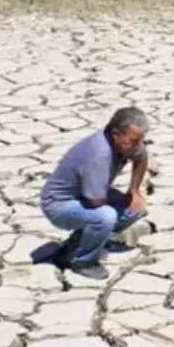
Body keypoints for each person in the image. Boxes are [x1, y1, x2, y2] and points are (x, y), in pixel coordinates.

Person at [39, 106, 151, 279]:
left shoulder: (129, 143)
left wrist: (134, 191)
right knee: (106, 216)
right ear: (116, 134)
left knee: (135, 208)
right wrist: (114, 216)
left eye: (139, 141)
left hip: (86, 194)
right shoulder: (99, 154)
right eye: (132, 142)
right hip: (59, 205)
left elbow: (142, 157)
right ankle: (83, 260)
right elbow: (96, 201)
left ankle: (84, 241)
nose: (137, 146)